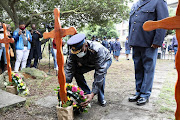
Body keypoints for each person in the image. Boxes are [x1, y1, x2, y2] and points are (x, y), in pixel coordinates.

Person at [128, 0, 169, 105]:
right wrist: (130, 41)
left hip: (149, 43)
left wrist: (157, 41)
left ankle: (145, 94)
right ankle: (138, 92)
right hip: (136, 42)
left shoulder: (158, 2)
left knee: (148, 69)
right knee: (138, 69)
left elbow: (163, 22)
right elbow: (131, 23)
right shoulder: (136, 4)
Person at [65, 33, 112, 107]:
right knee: (76, 71)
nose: (77, 54)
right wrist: (65, 86)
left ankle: (101, 98)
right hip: (88, 62)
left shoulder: (98, 49)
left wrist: (93, 93)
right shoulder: (73, 52)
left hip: (105, 60)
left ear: (85, 46)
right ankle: (86, 93)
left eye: (79, 51)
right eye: (75, 52)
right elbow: (69, 69)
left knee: (100, 76)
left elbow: (100, 72)